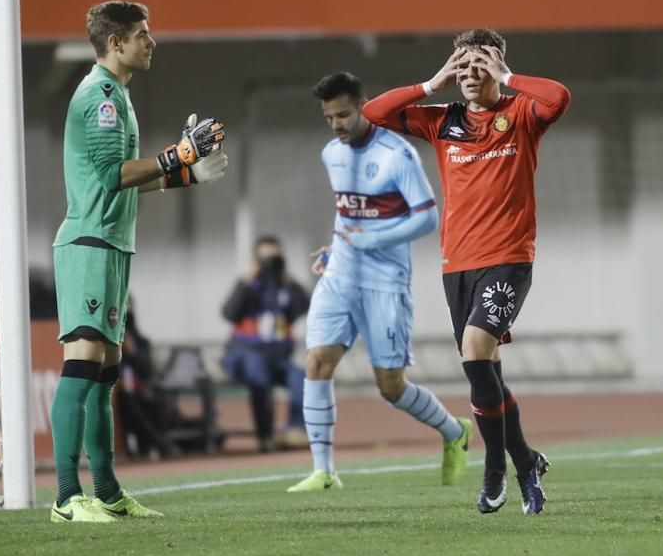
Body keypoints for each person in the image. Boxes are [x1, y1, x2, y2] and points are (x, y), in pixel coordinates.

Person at [362, 28, 572, 515]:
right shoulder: (443, 121)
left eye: (479, 64)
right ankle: (527, 461)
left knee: (476, 350)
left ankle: (495, 466)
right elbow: (375, 112)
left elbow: (559, 97)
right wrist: (432, 82)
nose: (470, 75)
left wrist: (507, 74)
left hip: (508, 257)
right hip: (457, 263)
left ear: (497, 66)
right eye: (463, 66)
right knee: (487, 370)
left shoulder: (521, 114)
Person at [49, 0, 228, 524]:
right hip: (89, 245)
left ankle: (105, 493)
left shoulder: (118, 96)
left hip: (113, 245)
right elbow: (109, 175)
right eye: (143, 35)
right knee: (81, 370)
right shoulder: (99, 98)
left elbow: (130, 175)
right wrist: (177, 155)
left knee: (105, 379)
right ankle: (64, 498)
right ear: (116, 43)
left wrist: (183, 174)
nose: (152, 42)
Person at [287, 72, 473, 493]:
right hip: (340, 276)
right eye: (329, 117)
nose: (337, 124)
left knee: (389, 386)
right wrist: (338, 247)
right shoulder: (331, 154)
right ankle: (324, 471)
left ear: (363, 106)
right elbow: (349, 210)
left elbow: (427, 217)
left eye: (344, 114)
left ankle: (453, 431)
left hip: (385, 282)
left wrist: (375, 238)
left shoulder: (396, 154)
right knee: (317, 361)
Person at [221, 236, 310, 452]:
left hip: (276, 359)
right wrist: (247, 278)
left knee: (300, 376)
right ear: (255, 259)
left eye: (275, 257)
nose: (270, 263)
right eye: (265, 258)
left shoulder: (284, 288)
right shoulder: (249, 285)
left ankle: (295, 430)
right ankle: (266, 434)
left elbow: (305, 304)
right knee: (257, 372)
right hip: (243, 355)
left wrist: (287, 278)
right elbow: (229, 312)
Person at [116, 296, 177, 460]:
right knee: (131, 404)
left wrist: (134, 352)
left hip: (139, 386)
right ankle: (158, 444)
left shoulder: (139, 339)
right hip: (120, 390)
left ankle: (155, 444)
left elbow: (146, 368)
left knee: (157, 402)